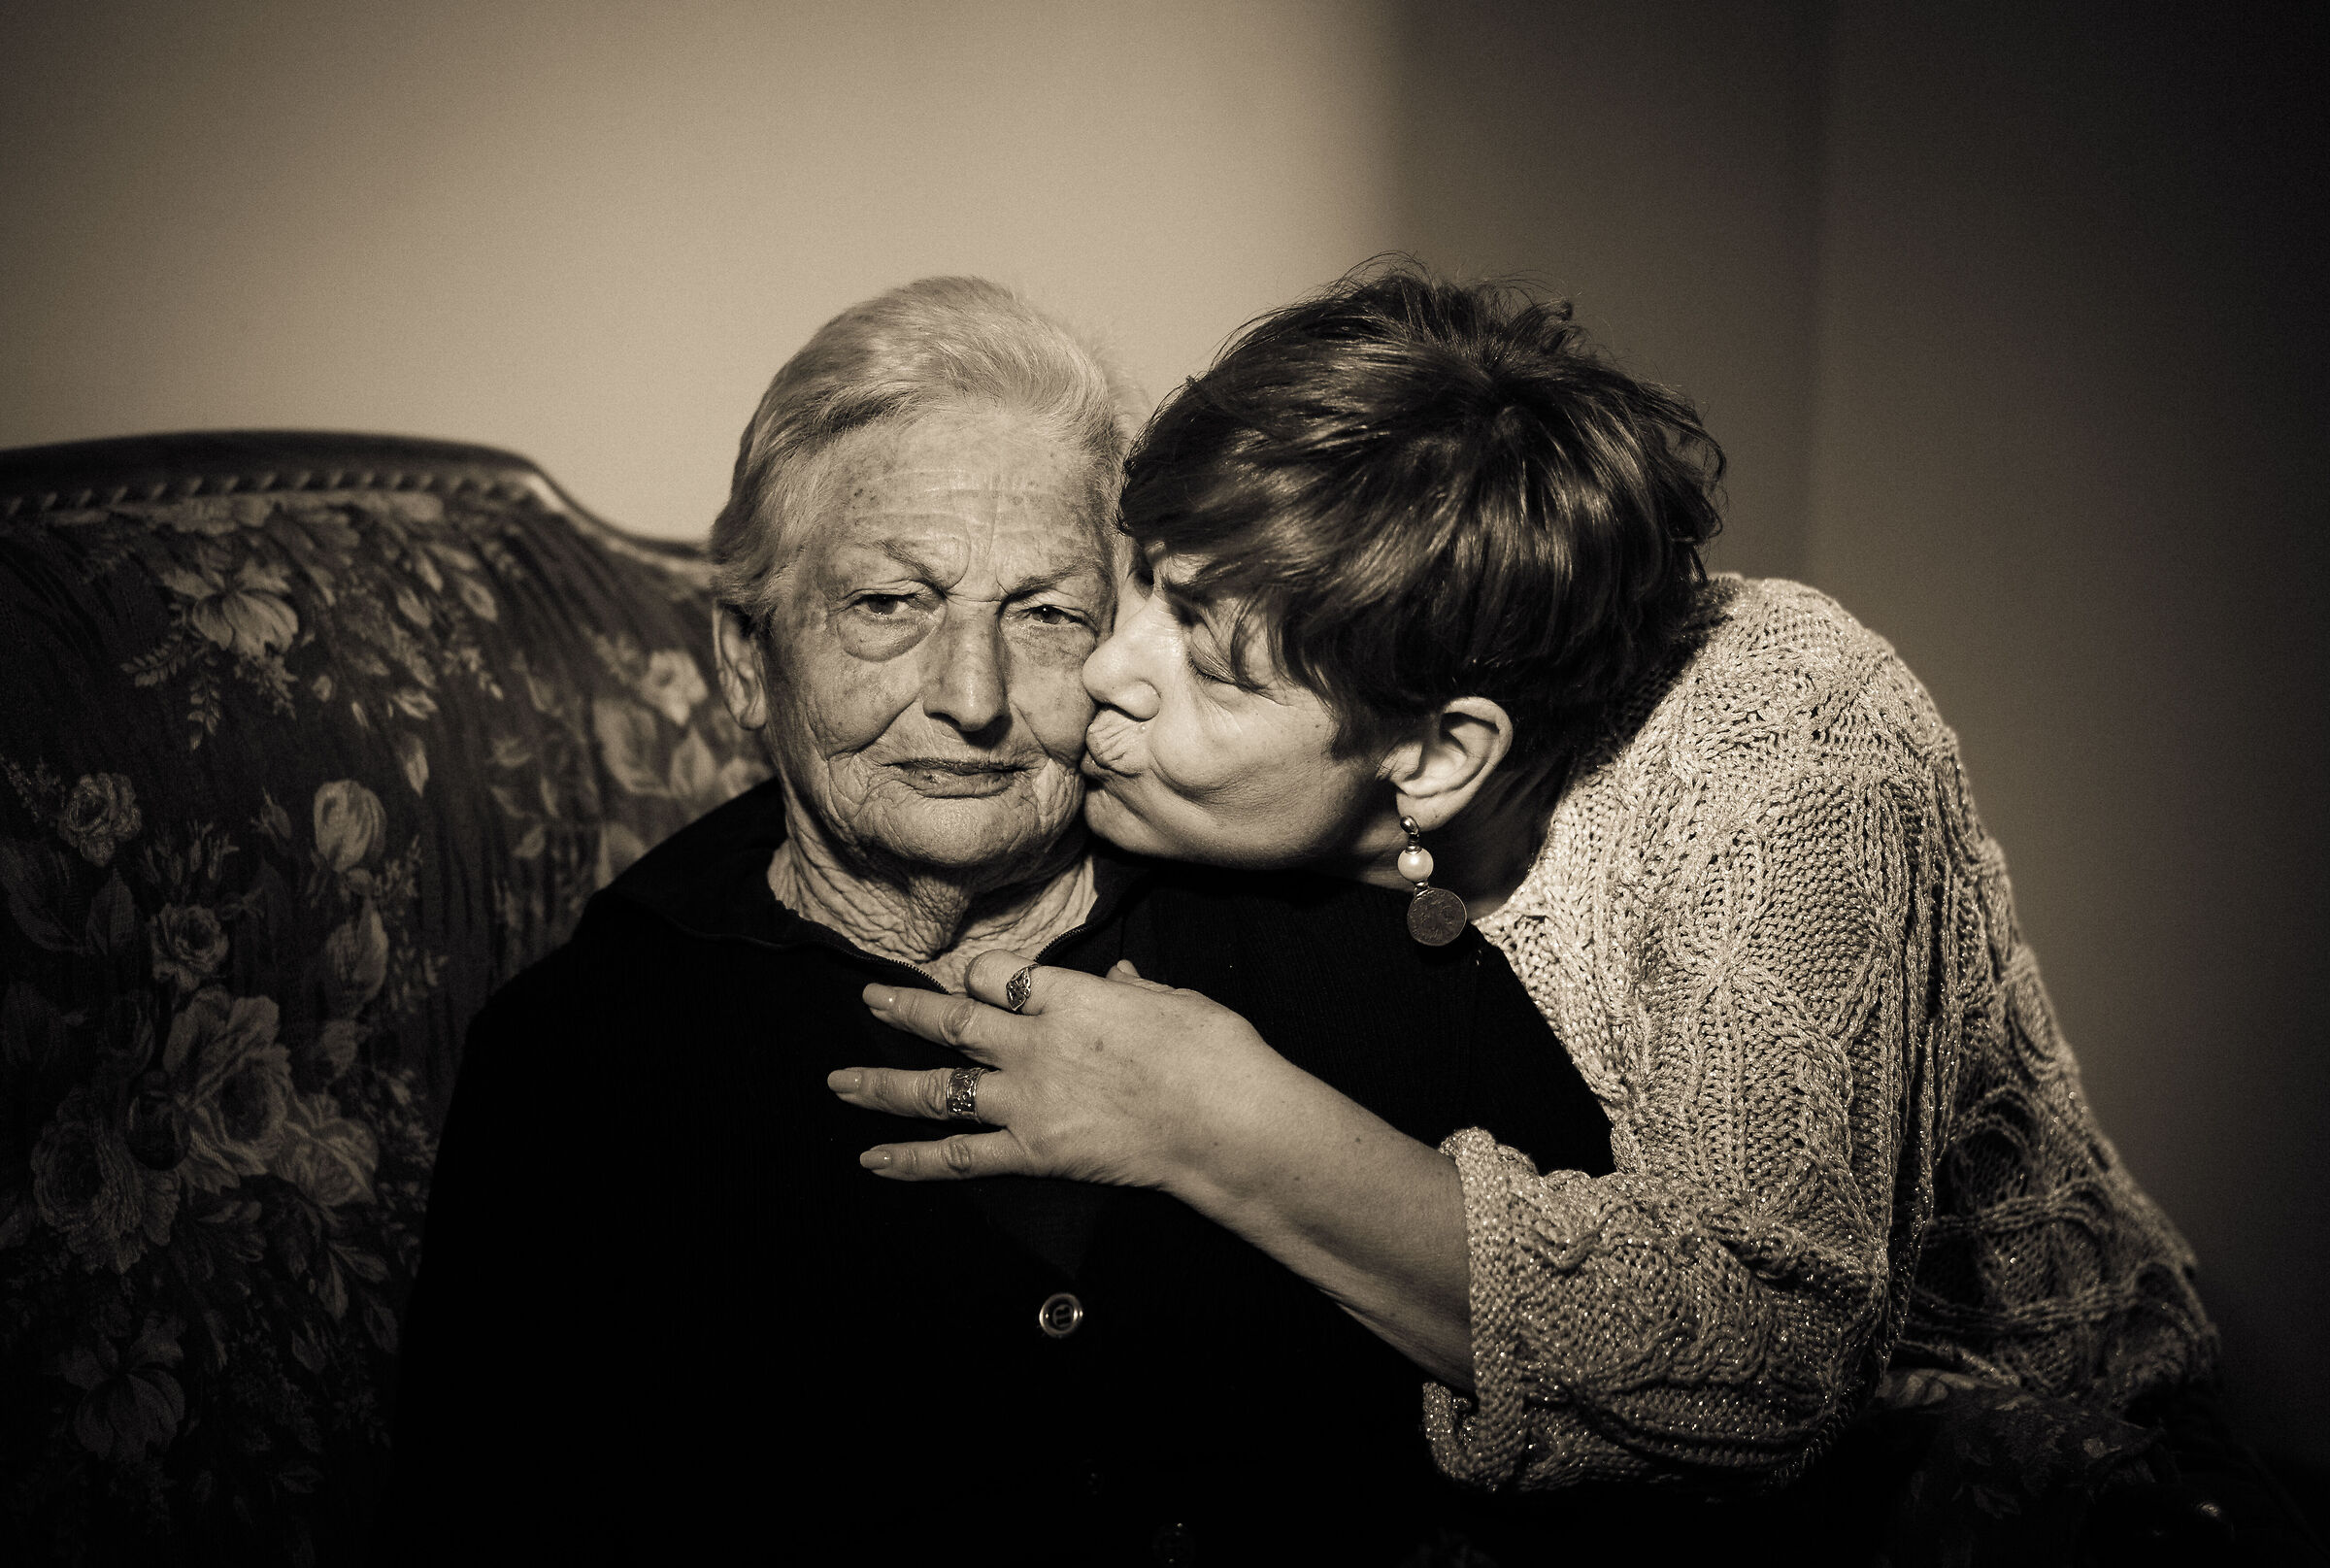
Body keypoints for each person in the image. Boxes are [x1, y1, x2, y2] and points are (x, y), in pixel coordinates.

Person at [831, 267, 2296, 1560]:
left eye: (1211, 664)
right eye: (1142, 583)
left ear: (1437, 753)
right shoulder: (1214, 749)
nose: (1106, 672)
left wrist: (1211, 1115)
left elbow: (1769, 1356)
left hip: (2034, 1488)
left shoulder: (1791, 744)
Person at [376, 276, 1615, 1565]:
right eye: (889, 606)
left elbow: (1652, 1422)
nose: (969, 698)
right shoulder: (582, 1054)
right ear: (751, 653)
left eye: (1044, 615)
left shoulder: (1358, 936)